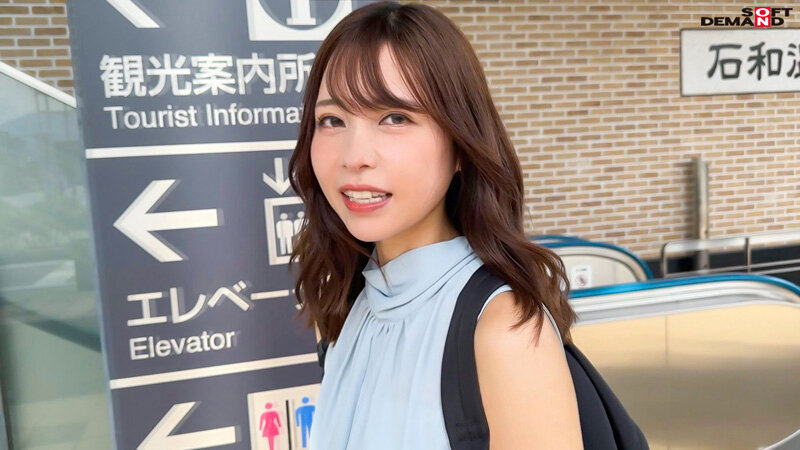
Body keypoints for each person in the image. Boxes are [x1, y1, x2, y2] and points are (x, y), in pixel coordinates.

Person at [287, 1, 583, 448]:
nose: (354, 156)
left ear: (461, 143)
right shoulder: (350, 307)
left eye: (395, 118)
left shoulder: (502, 329)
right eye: (332, 120)